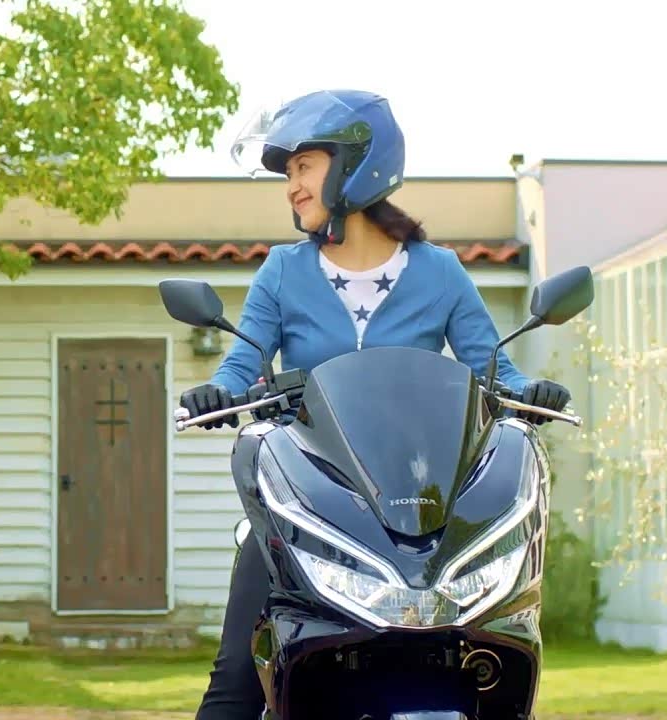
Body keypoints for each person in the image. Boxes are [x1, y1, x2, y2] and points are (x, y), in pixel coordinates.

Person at [179, 89, 572, 719]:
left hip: (423, 510)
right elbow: (243, 361)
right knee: (235, 682)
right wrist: (219, 392)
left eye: (303, 167)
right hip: (310, 501)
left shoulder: (440, 271)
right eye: (288, 173)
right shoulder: (282, 271)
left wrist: (529, 394)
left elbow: (492, 367)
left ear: (355, 164)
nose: (292, 187)